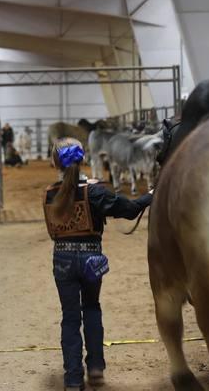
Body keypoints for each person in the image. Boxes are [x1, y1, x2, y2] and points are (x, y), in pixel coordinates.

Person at [43, 137, 153, 391]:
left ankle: (72, 380)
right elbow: (130, 209)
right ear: (82, 159)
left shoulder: (49, 194)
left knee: (70, 318)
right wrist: (151, 195)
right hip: (92, 258)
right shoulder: (95, 192)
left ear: (55, 162)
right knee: (92, 308)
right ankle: (95, 369)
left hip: (62, 259)